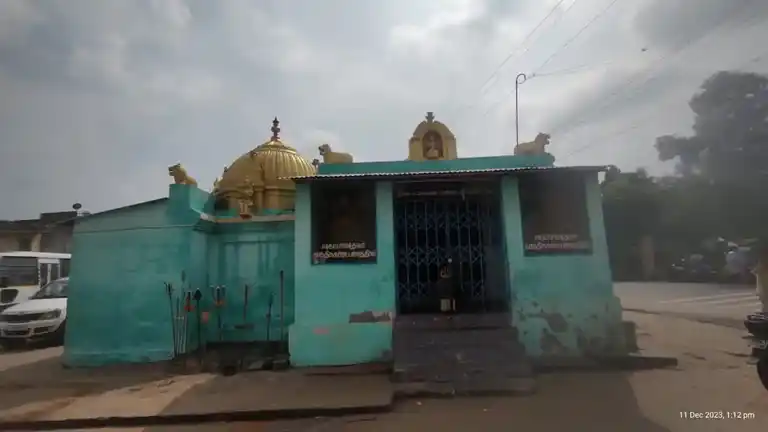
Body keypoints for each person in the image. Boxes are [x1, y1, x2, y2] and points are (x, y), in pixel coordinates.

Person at [752, 244, 768, 313]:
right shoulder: (762, 262)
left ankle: (765, 311)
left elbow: (756, 271)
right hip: (763, 284)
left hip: (764, 285)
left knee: (764, 297)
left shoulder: (762, 262)